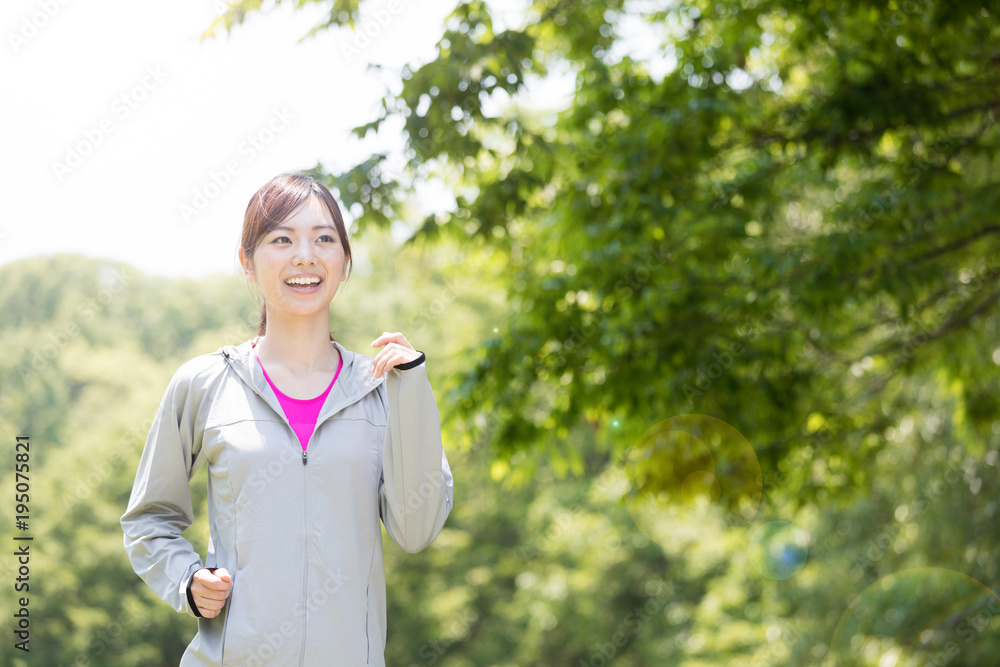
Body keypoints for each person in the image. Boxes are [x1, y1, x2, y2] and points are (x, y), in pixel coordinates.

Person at [120, 171, 454, 666]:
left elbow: (416, 530)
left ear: (344, 263)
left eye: (324, 239)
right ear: (247, 262)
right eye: (282, 239)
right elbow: (149, 520)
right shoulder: (205, 383)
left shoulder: (384, 389)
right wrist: (187, 580)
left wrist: (414, 390)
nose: (305, 256)